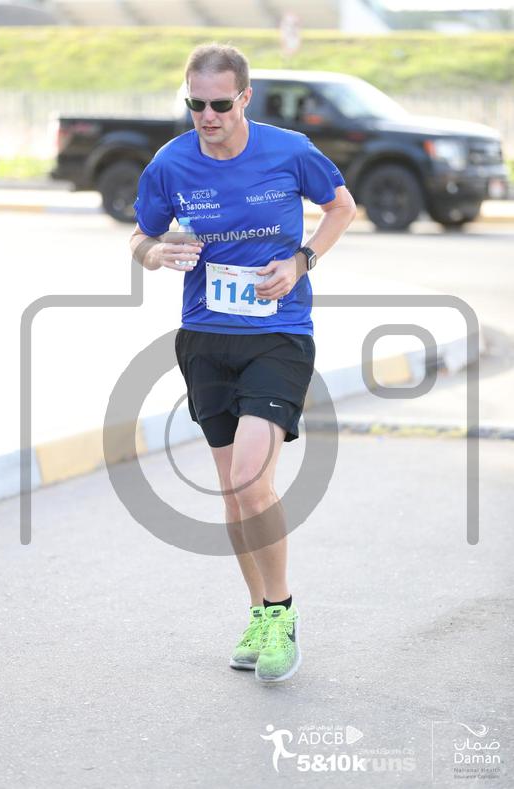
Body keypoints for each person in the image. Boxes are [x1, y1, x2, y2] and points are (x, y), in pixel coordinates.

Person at [129, 44, 356, 683]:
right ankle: (257, 611)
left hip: (277, 334)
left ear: (245, 98)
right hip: (205, 338)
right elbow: (141, 236)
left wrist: (303, 260)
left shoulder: (289, 151)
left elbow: (341, 206)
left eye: (220, 104)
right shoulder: (170, 163)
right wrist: (156, 254)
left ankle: (281, 613)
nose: (207, 116)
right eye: (195, 103)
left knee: (253, 479)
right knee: (233, 490)